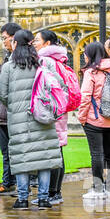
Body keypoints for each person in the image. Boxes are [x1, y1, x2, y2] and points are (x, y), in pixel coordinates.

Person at [0, 29, 64, 209]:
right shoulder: (42, 64)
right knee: (44, 159)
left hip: (19, 119)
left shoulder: (8, 67)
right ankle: (43, 198)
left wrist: (15, 105)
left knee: (22, 159)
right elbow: (59, 84)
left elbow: (2, 94)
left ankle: (22, 199)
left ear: (15, 44)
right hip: (43, 117)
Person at [33, 29, 72, 204]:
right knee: (58, 151)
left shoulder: (45, 60)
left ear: (47, 43)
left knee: (52, 153)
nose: (34, 43)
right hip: (60, 109)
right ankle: (56, 192)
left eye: (37, 40)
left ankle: (53, 193)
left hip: (50, 109)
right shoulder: (59, 59)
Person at [76, 43, 110, 204]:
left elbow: (86, 97)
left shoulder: (91, 72)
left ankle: (98, 189)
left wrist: (81, 117)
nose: (84, 56)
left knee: (97, 154)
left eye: (86, 54)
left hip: (94, 118)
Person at [0, 22, 22, 194]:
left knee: (13, 150)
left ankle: (18, 184)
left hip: (12, 111)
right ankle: (9, 181)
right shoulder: (8, 57)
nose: (3, 42)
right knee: (6, 150)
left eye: (5, 38)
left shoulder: (18, 59)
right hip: (4, 112)